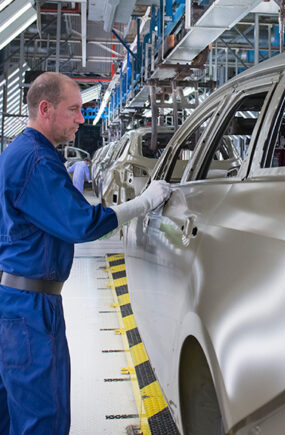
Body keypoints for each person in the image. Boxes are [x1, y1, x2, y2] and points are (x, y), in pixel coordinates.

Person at [0, 72, 171, 435]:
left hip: (16, 301)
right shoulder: (35, 160)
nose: (81, 119)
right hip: (29, 311)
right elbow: (83, 225)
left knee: (14, 414)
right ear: (45, 109)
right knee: (42, 420)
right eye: (74, 109)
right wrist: (144, 202)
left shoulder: (26, 152)